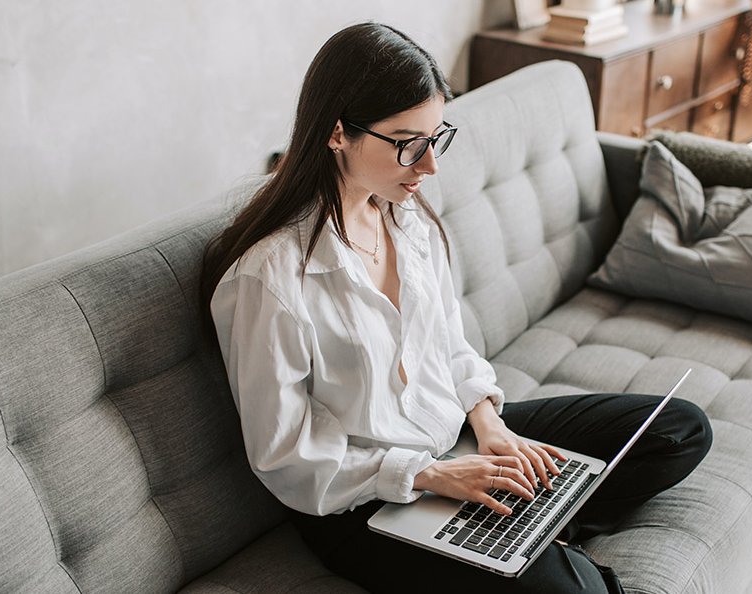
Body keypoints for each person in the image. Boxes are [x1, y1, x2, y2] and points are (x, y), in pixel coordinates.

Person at [201, 22, 712, 593]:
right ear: (337, 133)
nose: (430, 167)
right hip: (364, 502)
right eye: (408, 144)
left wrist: (491, 426)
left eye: (435, 137)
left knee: (678, 430)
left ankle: (532, 525)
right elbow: (286, 457)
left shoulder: (405, 218)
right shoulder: (270, 278)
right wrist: (433, 475)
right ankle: (537, 541)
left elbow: (450, 347)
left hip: (455, 442)